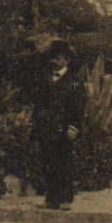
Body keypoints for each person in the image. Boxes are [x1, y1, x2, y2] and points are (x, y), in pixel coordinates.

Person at [28, 39, 85, 210]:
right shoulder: (45, 79)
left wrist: (74, 127)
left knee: (64, 162)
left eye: (59, 59)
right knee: (47, 161)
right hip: (47, 127)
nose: (55, 62)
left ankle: (65, 198)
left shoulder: (74, 81)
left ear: (67, 60)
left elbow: (79, 106)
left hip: (65, 127)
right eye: (53, 58)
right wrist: (35, 124)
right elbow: (39, 104)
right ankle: (51, 198)